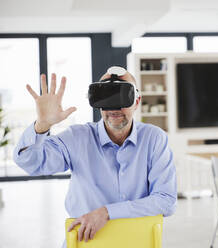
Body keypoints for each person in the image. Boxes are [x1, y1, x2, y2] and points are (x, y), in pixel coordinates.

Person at [13, 68, 177, 245]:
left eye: (122, 96)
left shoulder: (154, 138)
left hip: (137, 241)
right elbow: (30, 163)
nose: (114, 107)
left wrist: (107, 212)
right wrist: (41, 126)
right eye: (107, 97)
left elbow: (166, 201)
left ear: (136, 101)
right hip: (86, 242)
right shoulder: (77, 137)